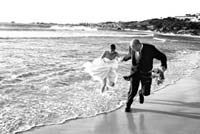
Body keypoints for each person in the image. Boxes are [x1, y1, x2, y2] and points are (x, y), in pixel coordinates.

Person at [122, 39, 167, 112]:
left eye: (133, 47)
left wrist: (163, 66)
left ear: (138, 45)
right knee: (132, 91)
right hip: (135, 72)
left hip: (146, 73)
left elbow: (162, 56)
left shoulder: (150, 49)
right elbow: (130, 54)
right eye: (131, 47)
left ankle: (141, 93)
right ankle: (128, 105)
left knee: (146, 93)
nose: (132, 49)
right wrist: (123, 59)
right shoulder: (132, 48)